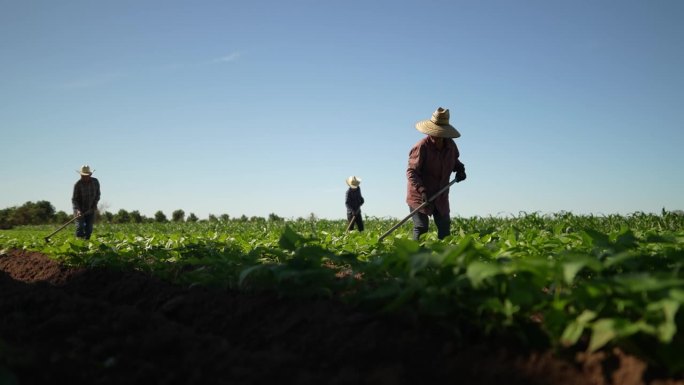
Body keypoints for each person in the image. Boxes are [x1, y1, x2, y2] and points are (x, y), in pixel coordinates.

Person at [406, 107, 466, 240]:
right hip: (420, 195)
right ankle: (415, 258)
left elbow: (454, 161)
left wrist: (460, 169)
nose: (438, 136)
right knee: (422, 227)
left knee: (444, 227)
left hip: (441, 194)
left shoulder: (450, 146)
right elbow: (411, 172)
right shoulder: (421, 147)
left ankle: (443, 258)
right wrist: (422, 190)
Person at [72, 164, 101, 240]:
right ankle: (79, 244)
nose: (84, 177)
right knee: (80, 226)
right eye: (83, 175)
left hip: (90, 209)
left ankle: (86, 245)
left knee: (89, 228)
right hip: (79, 210)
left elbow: (98, 194)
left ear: (89, 175)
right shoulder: (77, 184)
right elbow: (74, 199)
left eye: (86, 175)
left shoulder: (95, 182)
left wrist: (95, 204)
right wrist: (78, 210)